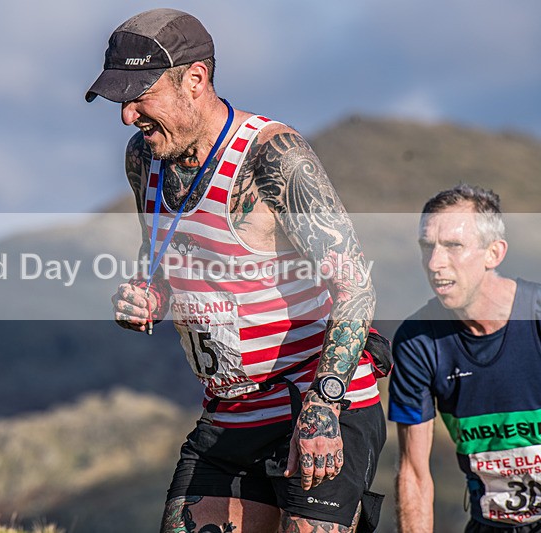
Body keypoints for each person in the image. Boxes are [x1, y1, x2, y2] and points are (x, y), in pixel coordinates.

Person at [86, 8, 387, 533]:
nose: (127, 117)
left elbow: (355, 284)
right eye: (120, 100)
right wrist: (149, 297)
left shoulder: (271, 154)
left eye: (140, 97)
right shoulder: (144, 158)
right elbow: (160, 257)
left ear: (195, 81)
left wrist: (324, 404)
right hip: (231, 411)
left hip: (314, 403)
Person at [389, 184, 541, 532]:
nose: (434, 262)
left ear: (494, 253)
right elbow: (413, 471)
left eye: (453, 246)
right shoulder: (417, 341)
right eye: (427, 247)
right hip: (490, 523)